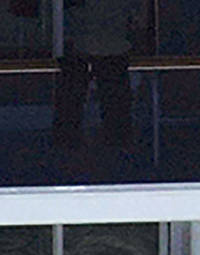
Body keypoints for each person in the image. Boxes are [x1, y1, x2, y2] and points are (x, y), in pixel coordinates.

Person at [53, 0, 147, 152]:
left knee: (74, 108)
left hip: (94, 47)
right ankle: (115, 152)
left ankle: (70, 150)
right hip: (101, 47)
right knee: (114, 112)